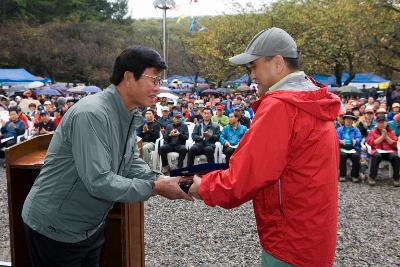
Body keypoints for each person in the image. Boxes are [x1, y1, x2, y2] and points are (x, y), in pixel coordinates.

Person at [22, 46, 192, 267]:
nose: (158, 89)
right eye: (155, 80)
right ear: (129, 77)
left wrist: (159, 179)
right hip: (57, 227)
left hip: (89, 226)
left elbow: (128, 161)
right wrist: (155, 187)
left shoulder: (127, 113)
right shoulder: (92, 114)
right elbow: (99, 180)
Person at [188, 27, 340, 267]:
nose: (252, 76)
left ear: (278, 62)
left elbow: (243, 178)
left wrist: (203, 186)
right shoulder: (315, 100)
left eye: (253, 66)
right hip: (314, 234)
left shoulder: (281, 107)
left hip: (289, 241)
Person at [366, 115, 400, 187]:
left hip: (388, 151)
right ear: (377, 123)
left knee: (395, 157)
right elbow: (371, 143)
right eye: (380, 122)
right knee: (376, 156)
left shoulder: (391, 132)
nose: (382, 124)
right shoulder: (372, 132)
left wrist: (386, 136)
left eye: (383, 122)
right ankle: (372, 177)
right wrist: (382, 137)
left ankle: (396, 178)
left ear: (386, 123)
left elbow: (394, 144)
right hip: (377, 151)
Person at [336, 112, 362, 182]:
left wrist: (356, 140)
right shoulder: (339, 129)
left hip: (352, 148)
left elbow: (359, 138)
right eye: (347, 119)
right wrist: (340, 141)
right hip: (342, 147)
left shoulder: (356, 129)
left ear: (352, 120)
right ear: (344, 120)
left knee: (356, 156)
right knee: (342, 155)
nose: (348, 120)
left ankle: (354, 175)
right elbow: (335, 139)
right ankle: (342, 175)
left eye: (350, 119)